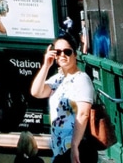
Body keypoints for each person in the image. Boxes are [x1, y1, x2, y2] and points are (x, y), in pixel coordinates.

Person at [30, 30, 96, 163]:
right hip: (60, 149)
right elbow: (36, 92)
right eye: (58, 52)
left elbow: (83, 114)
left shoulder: (82, 79)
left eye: (67, 52)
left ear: (75, 54)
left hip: (77, 148)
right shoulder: (58, 79)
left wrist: (75, 146)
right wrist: (46, 66)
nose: (62, 55)